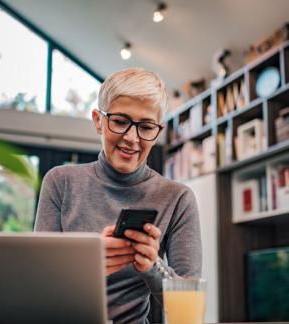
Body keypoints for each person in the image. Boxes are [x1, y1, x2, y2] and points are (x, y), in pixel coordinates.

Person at [34, 68, 202, 324]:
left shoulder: (177, 198)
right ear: (98, 120)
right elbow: (38, 286)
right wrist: (88, 265)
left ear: (158, 130)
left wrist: (151, 267)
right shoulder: (60, 182)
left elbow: (189, 311)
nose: (132, 138)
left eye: (146, 126)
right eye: (121, 121)